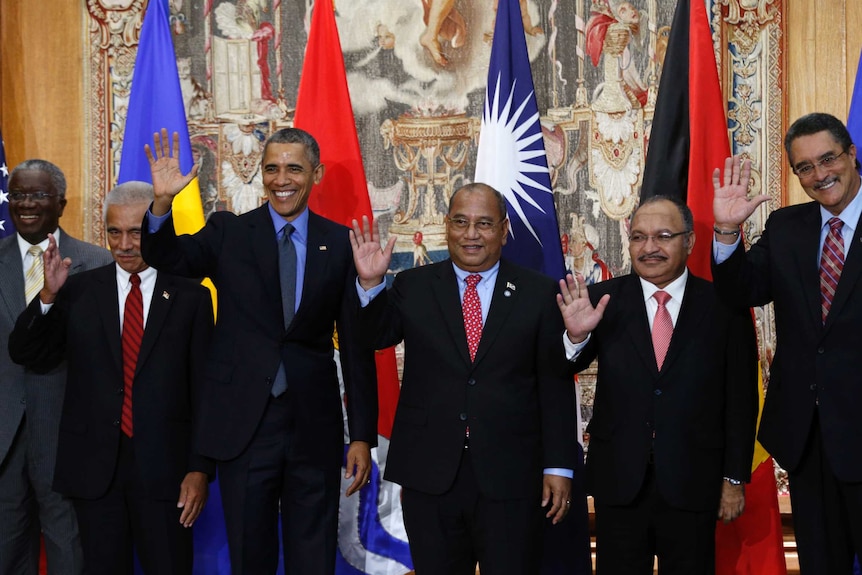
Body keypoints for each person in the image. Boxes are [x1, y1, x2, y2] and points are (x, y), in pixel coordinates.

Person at [140, 128, 378, 574]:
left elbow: (355, 344)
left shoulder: (340, 244)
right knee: (251, 556)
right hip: (244, 428)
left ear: (316, 173)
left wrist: (362, 434)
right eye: (271, 168)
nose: (280, 179)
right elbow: (170, 257)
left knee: (313, 559)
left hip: (314, 428)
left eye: (293, 168)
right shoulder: (230, 232)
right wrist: (160, 205)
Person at [350, 182, 577, 575]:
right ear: (446, 226)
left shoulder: (539, 293)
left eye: (484, 224)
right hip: (430, 474)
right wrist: (371, 286)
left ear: (504, 230)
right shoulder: (413, 286)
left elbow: (553, 383)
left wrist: (558, 466)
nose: (471, 234)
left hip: (511, 475)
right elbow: (375, 336)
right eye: (461, 222)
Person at [8, 182, 214, 574]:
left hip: (166, 473)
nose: (123, 244)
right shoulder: (78, 290)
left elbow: (204, 389)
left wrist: (199, 468)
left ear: (154, 229)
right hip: (95, 472)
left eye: (136, 232)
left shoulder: (190, 297)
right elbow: (26, 353)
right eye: (114, 232)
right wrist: (47, 298)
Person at [559, 195, 758, 574]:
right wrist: (576, 336)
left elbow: (741, 397)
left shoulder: (723, 306)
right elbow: (564, 364)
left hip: (694, 480)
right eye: (638, 237)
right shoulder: (603, 300)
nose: (649, 247)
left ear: (689, 242)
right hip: (619, 481)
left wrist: (734, 478)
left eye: (663, 236)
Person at [712, 112, 862, 573]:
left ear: (852, 154)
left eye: (828, 159)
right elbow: (742, 292)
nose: (819, 175)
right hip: (807, 436)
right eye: (805, 168)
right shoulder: (786, 226)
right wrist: (727, 232)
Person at [0, 159, 113, 574]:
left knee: (69, 548)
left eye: (38, 195)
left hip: (69, 433)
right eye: (18, 195)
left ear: (61, 203)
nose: (26, 204)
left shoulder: (97, 264)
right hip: (3, 436)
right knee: (6, 549)